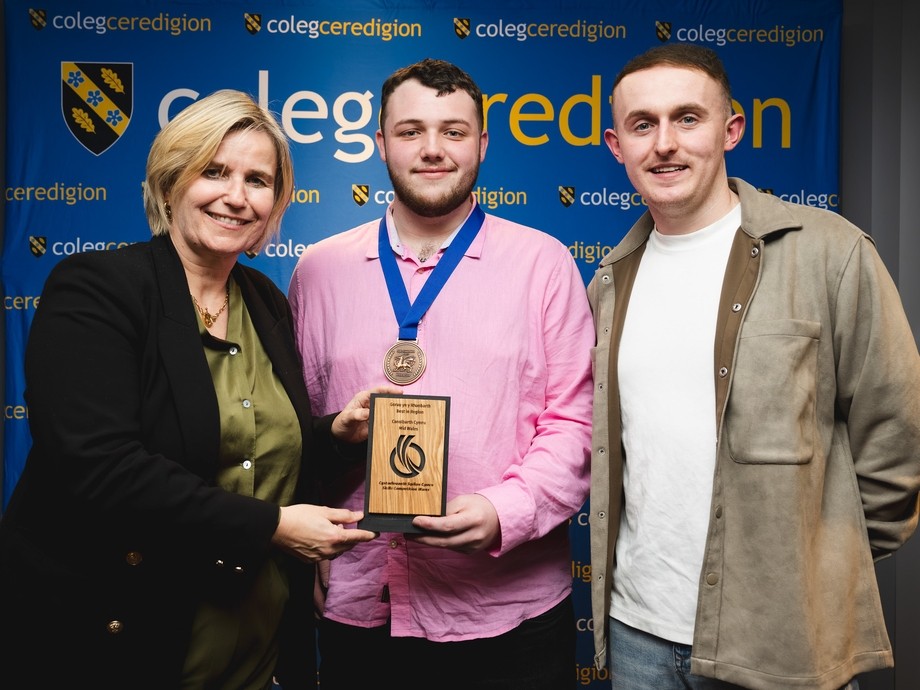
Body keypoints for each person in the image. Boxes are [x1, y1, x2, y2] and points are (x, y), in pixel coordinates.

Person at [0, 89, 386, 690]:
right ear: (172, 179)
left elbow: (251, 450)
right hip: (126, 639)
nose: (236, 196)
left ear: (276, 202)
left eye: (258, 180)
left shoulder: (265, 303)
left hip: (256, 650)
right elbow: (100, 467)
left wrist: (333, 436)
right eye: (214, 171)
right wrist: (271, 527)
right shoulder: (99, 289)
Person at [587, 42, 920, 690]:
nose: (664, 144)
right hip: (638, 634)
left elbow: (898, 436)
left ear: (731, 128)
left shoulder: (832, 253)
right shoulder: (609, 281)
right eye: (642, 124)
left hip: (782, 639)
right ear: (615, 144)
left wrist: (819, 559)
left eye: (688, 118)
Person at [288, 58, 594, 689]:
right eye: (410, 131)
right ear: (378, 144)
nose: (432, 150)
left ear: (483, 143)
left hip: (508, 615)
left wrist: (504, 509)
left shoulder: (544, 264)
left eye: (454, 131)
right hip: (359, 603)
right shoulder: (318, 271)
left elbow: (576, 423)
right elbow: (295, 428)